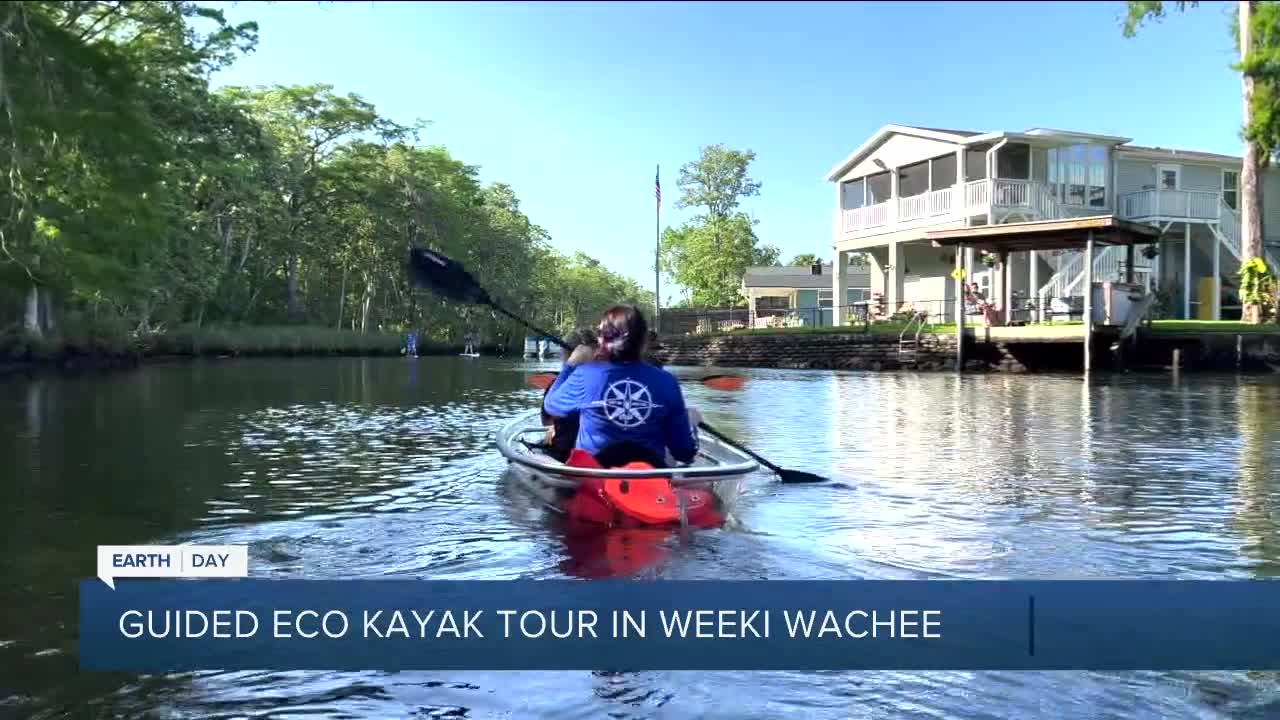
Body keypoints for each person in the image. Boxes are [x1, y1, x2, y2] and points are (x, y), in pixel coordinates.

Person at [544, 304, 701, 468]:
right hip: (650, 480)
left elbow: (551, 406)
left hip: (594, 477)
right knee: (690, 419)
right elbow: (683, 453)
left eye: (600, 333)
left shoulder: (585, 374)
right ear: (643, 341)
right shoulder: (667, 382)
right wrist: (691, 426)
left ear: (603, 340)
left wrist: (570, 365)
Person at [539, 328, 598, 463]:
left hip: (564, 455)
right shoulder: (605, 381)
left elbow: (547, 419)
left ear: (568, 355)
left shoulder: (558, 386)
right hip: (598, 456)